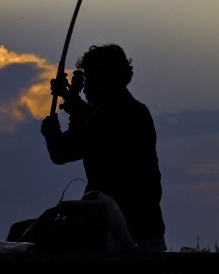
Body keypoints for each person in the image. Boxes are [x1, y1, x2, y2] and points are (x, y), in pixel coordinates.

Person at [41, 43, 166, 252]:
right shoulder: (134, 110)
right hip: (145, 229)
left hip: (123, 235)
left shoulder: (111, 116)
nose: (86, 86)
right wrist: (71, 99)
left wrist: (51, 131)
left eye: (90, 78)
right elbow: (90, 118)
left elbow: (62, 152)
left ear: (106, 79)